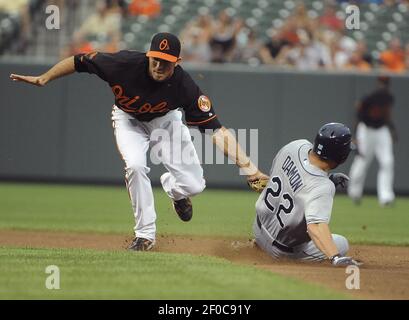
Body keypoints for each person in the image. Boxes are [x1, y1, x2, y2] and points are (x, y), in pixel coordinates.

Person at [10, 32, 268, 251]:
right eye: (155, 59)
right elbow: (79, 61)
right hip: (128, 120)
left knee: (195, 185)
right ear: (148, 55)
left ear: (177, 62)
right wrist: (45, 77)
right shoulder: (121, 63)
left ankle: (175, 191)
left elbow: (217, 132)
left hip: (165, 122)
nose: (158, 66)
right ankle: (145, 235)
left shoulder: (185, 87)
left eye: (166, 63)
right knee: (135, 165)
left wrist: (249, 168)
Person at [253, 123, 361, 266]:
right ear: (341, 156)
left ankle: (256, 244)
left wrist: (327, 178)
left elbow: (282, 176)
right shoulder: (323, 187)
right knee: (342, 244)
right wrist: (335, 257)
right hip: (280, 251)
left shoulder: (296, 146)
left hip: (257, 228)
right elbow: (315, 226)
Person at [348, 76, 396, 206]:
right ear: (378, 83)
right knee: (362, 160)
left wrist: (392, 130)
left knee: (387, 162)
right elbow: (358, 115)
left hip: (382, 130)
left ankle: (386, 197)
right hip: (366, 129)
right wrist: (355, 135)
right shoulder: (369, 97)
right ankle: (354, 193)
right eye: (382, 82)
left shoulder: (389, 97)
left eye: (386, 83)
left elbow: (387, 115)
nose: (384, 85)